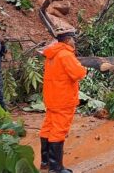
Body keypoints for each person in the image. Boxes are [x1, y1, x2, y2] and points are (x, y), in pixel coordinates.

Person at [39, 30, 87, 173]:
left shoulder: (51, 54)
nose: (74, 42)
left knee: (48, 128)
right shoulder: (66, 54)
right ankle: (56, 168)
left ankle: (45, 162)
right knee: (59, 131)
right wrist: (83, 68)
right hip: (63, 99)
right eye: (73, 39)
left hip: (52, 98)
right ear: (67, 40)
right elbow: (78, 74)